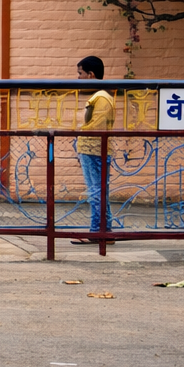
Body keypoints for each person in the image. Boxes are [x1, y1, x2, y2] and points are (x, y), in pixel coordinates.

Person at [72, 55, 116, 245]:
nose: (79, 78)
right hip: (93, 149)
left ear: (91, 75)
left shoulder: (101, 98)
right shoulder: (101, 96)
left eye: (80, 74)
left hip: (94, 150)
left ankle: (98, 233)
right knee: (98, 192)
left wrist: (77, 131)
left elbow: (94, 125)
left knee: (96, 193)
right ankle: (105, 232)